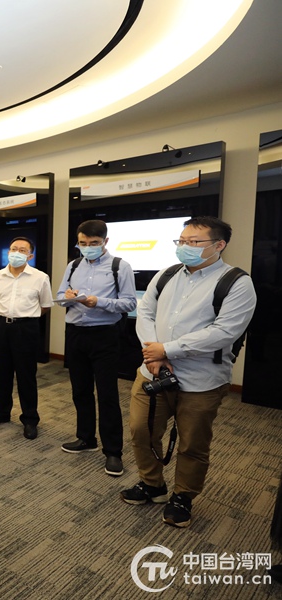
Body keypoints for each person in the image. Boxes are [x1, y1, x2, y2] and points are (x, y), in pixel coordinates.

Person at [121, 216, 255, 528]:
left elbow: (225, 332)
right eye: (181, 241)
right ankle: (152, 484)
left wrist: (168, 350)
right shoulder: (167, 274)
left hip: (201, 380)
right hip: (152, 372)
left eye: (193, 242)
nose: (184, 247)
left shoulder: (236, 282)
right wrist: (153, 353)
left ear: (219, 245)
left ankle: (183, 495)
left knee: (192, 443)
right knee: (141, 430)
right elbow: (145, 312)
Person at [56, 220, 137, 477]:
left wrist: (99, 302)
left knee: (107, 394)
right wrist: (67, 298)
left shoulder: (120, 266)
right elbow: (60, 296)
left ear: (105, 241)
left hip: (105, 335)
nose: (87, 247)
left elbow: (129, 303)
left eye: (94, 243)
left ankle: (113, 451)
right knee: (80, 390)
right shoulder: (73, 265)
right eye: (83, 243)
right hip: (75, 333)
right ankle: (86, 438)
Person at [0, 237, 53, 440]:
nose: (16, 252)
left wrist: (26, 318)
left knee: (26, 374)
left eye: (22, 250)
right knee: (2, 372)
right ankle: (2, 412)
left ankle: (30, 418)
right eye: (13, 249)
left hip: (26, 328)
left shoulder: (40, 277)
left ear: (30, 256)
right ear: (8, 252)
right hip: (1, 326)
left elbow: (45, 305)